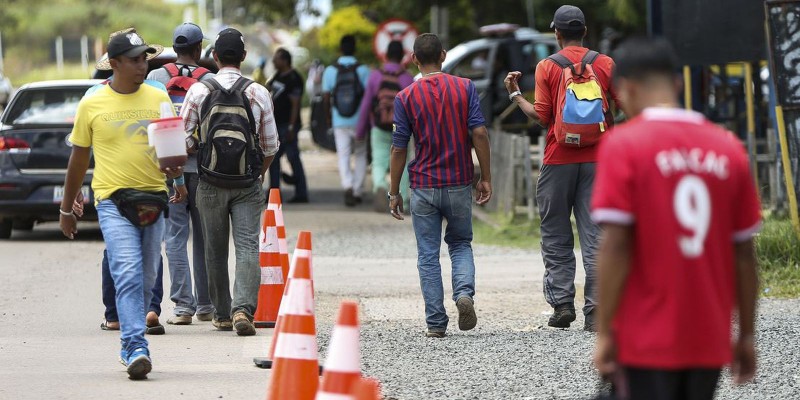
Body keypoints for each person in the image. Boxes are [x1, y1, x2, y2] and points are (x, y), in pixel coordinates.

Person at [591, 37, 760, 399]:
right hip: (708, 336)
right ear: (679, 83)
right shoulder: (728, 147)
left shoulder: (624, 145)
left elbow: (616, 246)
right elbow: (744, 254)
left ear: (626, 89)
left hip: (644, 335)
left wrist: (605, 332)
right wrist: (745, 333)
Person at [59, 30, 180, 380]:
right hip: (112, 200)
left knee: (146, 279)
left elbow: (169, 151)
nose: (144, 64)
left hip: (153, 199)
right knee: (126, 272)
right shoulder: (92, 102)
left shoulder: (158, 96)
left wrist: (175, 172)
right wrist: (67, 209)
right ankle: (136, 345)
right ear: (114, 64)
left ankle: (130, 342)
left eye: (146, 58)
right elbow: (78, 160)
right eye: (135, 59)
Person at [504, 5, 620, 330]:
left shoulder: (547, 66)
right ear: (584, 31)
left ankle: (562, 305)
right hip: (599, 161)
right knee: (596, 234)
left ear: (556, 33)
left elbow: (542, 116)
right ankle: (596, 311)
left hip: (558, 160)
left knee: (555, 232)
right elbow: (625, 106)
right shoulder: (605, 63)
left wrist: (515, 95)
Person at [390, 33, 492, 338]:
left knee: (428, 254)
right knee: (460, 243)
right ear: (444, 55)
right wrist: (485, 176)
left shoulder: (405, 97)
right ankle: (464, 295)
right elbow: (480, 134)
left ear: (414, 59)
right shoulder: (465, 88)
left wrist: (394, 191)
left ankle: (436, 323)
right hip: (459, 182)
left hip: (422, 186)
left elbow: (398, 148)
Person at [181, 28, 278, 336]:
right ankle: (243, 311)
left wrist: (198, 149)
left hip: (208, 180)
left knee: (214, 247)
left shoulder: (199, 90)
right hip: (247, 182)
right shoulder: (258, 92)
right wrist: (258, 173)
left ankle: (222, 314)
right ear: (244, 57)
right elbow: (271, 145)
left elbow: (182, 139)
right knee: (249, 246)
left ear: (214, 57)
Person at [146, 22, 216, 326]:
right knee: (205, 237)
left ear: (176, 47)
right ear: (199, 48)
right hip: (203, 169)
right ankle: (206, 305)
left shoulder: (155, 77)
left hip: (170, 168)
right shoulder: (211, 80)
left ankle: (183, 307)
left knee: (175, 236)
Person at [356, 41, 414, 212]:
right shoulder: (407, 77)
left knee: (379, 162)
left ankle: (380, 186)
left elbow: (366, 103)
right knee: (402, 162)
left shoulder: (375, 75)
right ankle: (402, 195)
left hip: (379, 126)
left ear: (386, 55)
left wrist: (360, 130)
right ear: (403, 57)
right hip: (402, 128)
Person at [322, 35, 371, 206]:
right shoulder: (364, 70)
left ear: (340, 49)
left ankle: (347, 186)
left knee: (343, 155)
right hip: (359, 121)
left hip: (339, 120)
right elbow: (368, 98)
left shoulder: (330, 70)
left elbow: (327, 97)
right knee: (360, 154)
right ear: (355, 49)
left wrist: (328, 118)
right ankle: (357, 190)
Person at [267, 48, 309, 203]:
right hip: (276, 124)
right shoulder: (277, 76)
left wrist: (291, 127)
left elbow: (295, 104)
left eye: (276, 59)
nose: (273, 61)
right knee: (273, 159)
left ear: (285, 60)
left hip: (288, 125)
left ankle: (301, 193)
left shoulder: (294, 78)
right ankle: (274, 194)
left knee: (293, 158)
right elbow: (268, 89)